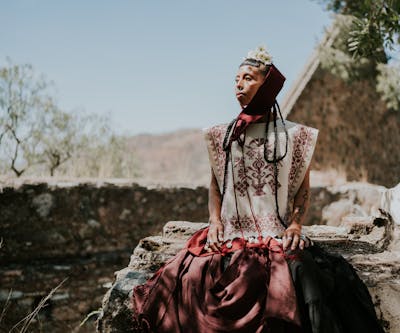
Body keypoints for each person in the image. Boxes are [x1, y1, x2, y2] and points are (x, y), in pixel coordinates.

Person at [132, 46, 385, 333]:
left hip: (276, 234)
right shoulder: (221, 135)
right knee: (191, 281)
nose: (238, 84)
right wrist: (215, 222)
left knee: (306, 282)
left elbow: (302, 191)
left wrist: (295, 226)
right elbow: (216, 185)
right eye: (236, 79)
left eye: (248, 78)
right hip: (229, 236)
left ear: (267, 85)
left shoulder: (295, 136)